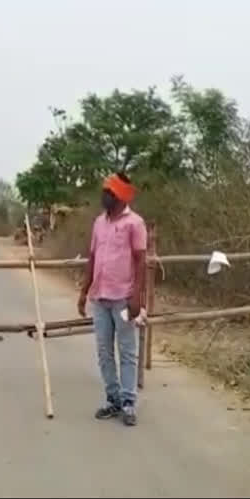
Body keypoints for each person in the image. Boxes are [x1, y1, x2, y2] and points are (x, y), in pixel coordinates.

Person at [77, 171, 147, 426]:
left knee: (127, 351)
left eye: (109, 193)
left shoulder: (135, 223)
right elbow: (92, 258)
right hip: (100, 296)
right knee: (104, 352)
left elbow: (140, 261)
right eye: (104, 191)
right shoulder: (99, 223)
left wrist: (137, 296)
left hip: (123, 297)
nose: (104, 196)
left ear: (120, 196)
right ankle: (112, 399)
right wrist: (84, 292)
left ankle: (128, 403)